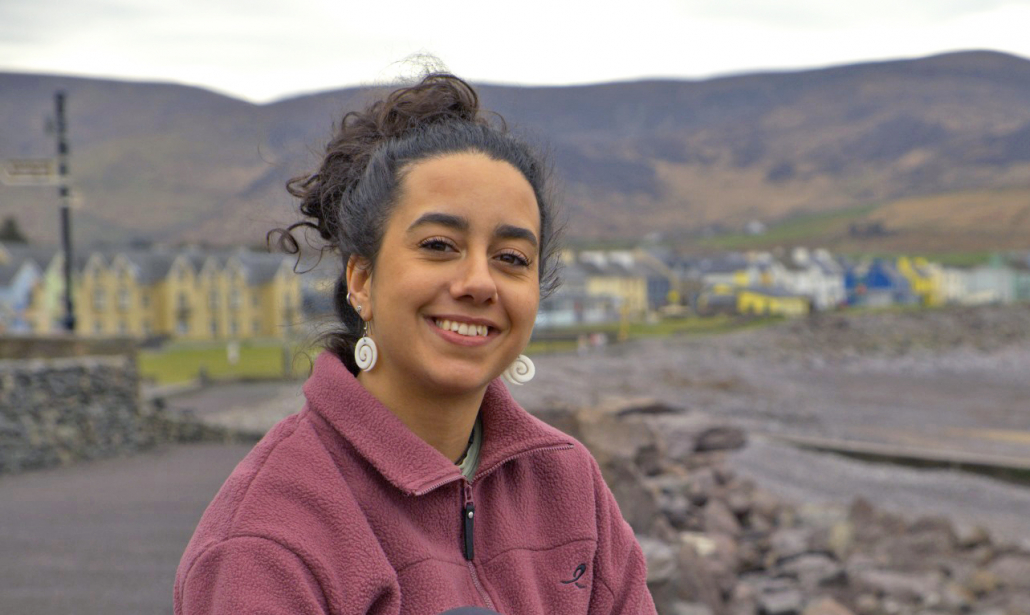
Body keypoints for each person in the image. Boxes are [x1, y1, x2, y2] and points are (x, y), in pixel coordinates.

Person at [173, 72, 656, 615]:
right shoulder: (266, 540)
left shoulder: (567, 482)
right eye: (439, 245)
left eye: (511, 258)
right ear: (361, 280)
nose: (479, 283)